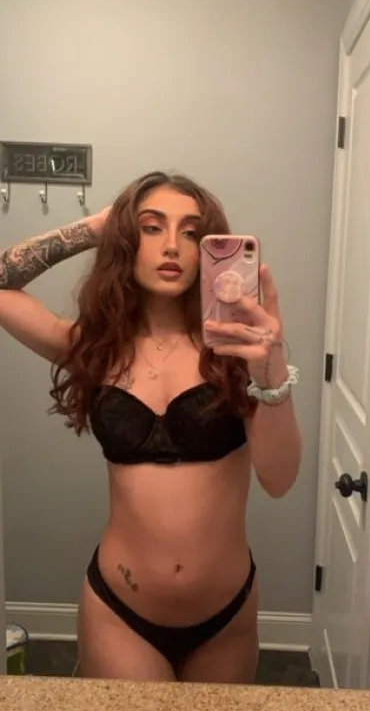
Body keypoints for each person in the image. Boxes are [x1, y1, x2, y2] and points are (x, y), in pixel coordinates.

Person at [0, 171, 302, 683]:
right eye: (151, 227)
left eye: (191, 232)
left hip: (225, 616)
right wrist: (97, 227)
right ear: (127, 239)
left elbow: (280, 479)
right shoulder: (95, 349)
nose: (172, 245)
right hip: (120, 614)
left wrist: (270, 370)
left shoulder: (236, 351)